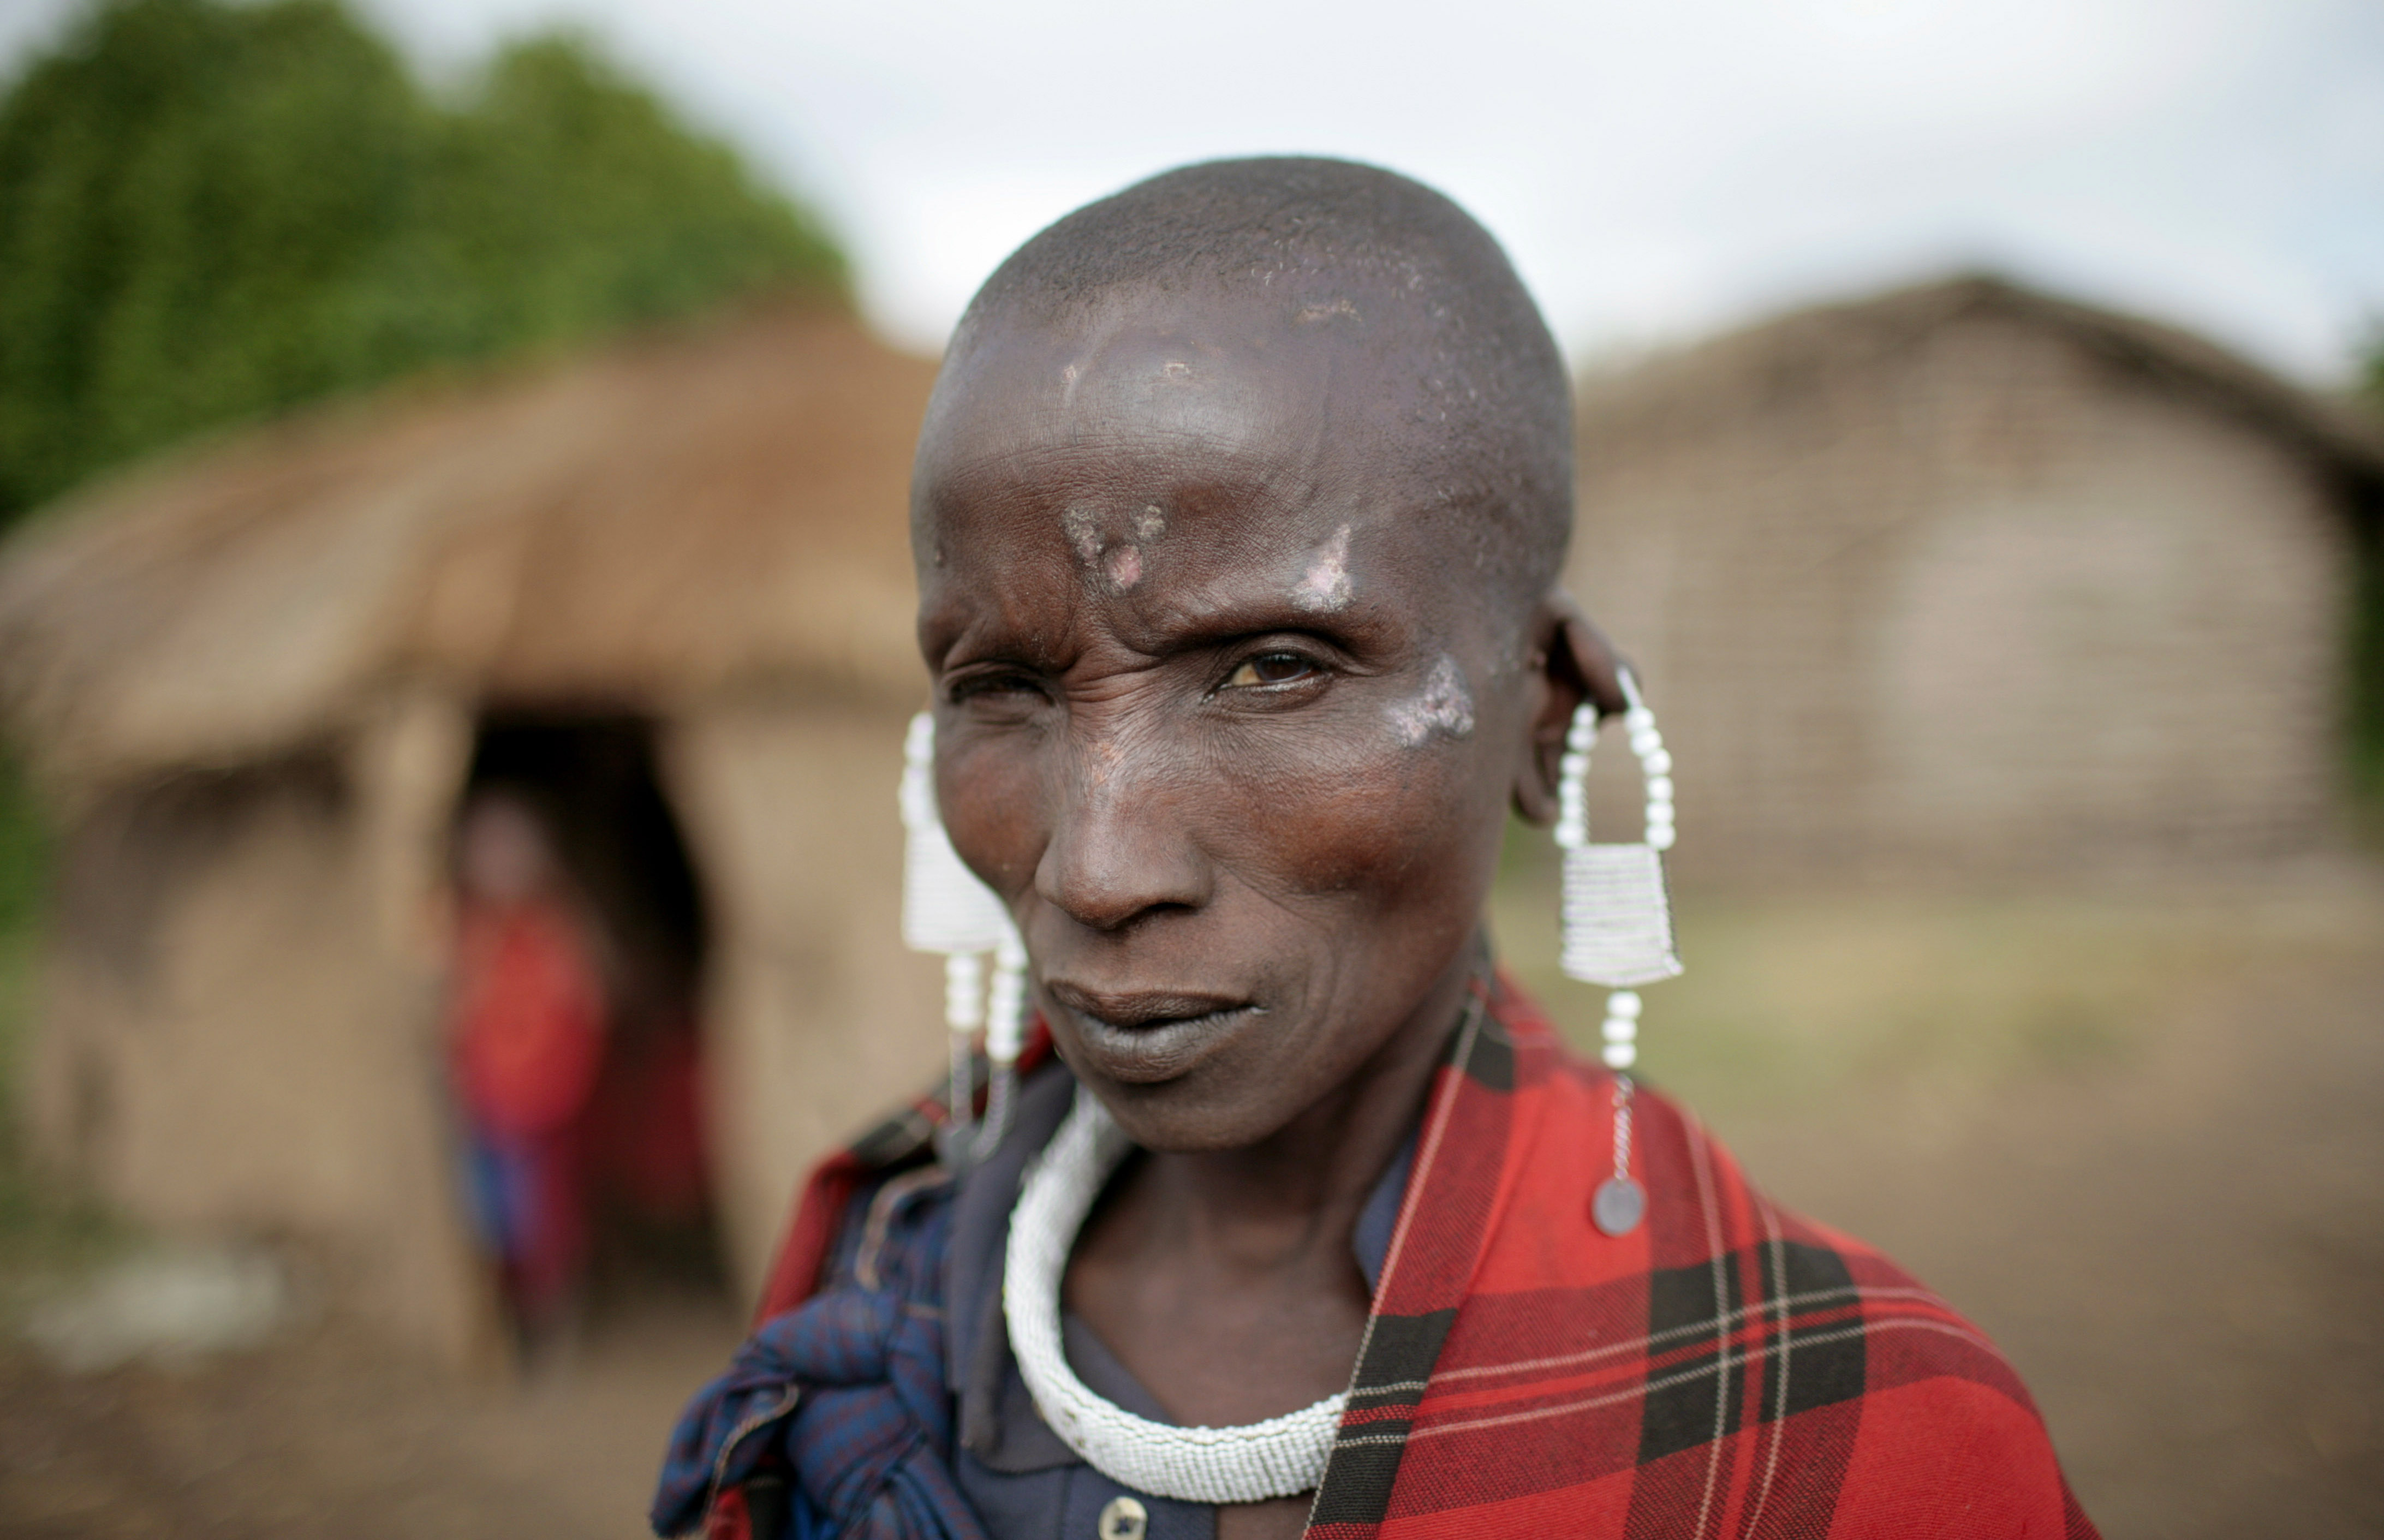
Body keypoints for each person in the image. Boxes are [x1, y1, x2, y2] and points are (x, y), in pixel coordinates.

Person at [654, 158, 2098, 1540]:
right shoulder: (878, 1265)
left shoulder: (1864, 1440)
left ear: (1547, 717)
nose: (1095, 869)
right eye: (1002, 687)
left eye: (1272, 666)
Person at [446, 790, 611, 1353]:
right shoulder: (465, 931)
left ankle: (555, 1330)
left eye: (515, 850)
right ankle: (508, 1332)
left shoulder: (560, 930)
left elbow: (588, 1002)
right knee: (490, 1223)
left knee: (546, 1225)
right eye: (489, 851)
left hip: (547, 1107)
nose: (503, 866)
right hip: (486, 1108)